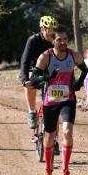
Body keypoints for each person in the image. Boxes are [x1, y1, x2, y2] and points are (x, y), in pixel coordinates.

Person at [30, 28, 88, 175]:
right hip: (50, 101)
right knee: (49, 137)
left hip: (67, 100)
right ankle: (48, 171)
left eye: (65, 39)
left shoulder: (73, 55)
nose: (63, 42)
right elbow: (34, 79)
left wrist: (78, 83)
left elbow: (85, 69)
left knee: (67, 131)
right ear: (52, 41)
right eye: (59, 40)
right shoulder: (45, 57)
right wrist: (48, 77)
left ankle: (65, 171)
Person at [20, 16, 60, 153]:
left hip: (51, 70)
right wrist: (24, 78)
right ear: (42, 29)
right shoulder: (33, 41)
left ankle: (54, 139)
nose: (52, 33)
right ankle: (32, 111)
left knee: (55, 107)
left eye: (54, 30)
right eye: (49, 30)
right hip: (34, 69)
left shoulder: (56, 40)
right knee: (30, 80)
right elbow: (25, 61)